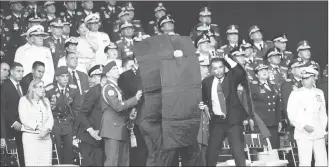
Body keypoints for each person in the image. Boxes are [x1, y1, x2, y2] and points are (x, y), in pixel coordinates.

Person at [200, 55, 247, 166]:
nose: (218, 71)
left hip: (233, 122)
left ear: (224, 67)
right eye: (215, 68)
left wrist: (228, 59)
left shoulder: (231, 78)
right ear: (211, 69)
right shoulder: (206, 82)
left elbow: (241, 73)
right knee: (211, 153)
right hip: (217, 122)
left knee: (238, 153)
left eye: (220, 67)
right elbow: (204, 99)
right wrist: (204, 105)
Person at [99, 61, 142, 166]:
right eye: (114, 69)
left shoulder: (116, 87)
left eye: (117, 68)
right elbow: (118, 106)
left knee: (123, 160)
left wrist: (129, 114)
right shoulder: (109, 88)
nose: (117, 70)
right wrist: (135, 99)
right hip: (112, 128)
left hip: (119, 127)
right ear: (108, 74)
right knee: (113, 160)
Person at [287, 66, 327, 166]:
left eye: (307, 78)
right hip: (303, 132)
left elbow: (323, 113)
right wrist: (303, 125)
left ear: (313, 78)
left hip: (318, 131)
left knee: (322, 161)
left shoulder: (319, 92)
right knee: (305, 161)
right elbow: (291, 113)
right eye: (303, 78)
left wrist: (324, 131)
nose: (304, 80)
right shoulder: (296, 93)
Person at [45, 66, 80, 164]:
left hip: (67, 123)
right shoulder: (49, 90)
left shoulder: (73, 89)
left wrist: (75, 127)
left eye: (67, 76)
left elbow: (76, 110)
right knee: (57, 151)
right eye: (62, 76)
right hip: (54, 123)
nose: (65, 79)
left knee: (69, 151)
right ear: (56, 78)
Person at [18, 79, 54, 166]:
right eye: (40, 87)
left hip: (46, 137)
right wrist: (38, 127)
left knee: (46, 163)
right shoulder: (24, 100)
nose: (43, 89)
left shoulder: (45, 101)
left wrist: (47, 129)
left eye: (44, 87)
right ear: (33, 88)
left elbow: (50, 118)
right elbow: (24, 119)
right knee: (32, 163)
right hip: (31, 138)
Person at [77, 65, 106, 166]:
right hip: (90, 137)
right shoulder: (93, 91)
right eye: (100, 76)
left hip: (101, 137)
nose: (103, 79)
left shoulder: (105, 90)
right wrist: (91, 130)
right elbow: (82, 114)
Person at [250, 64, 282, 149]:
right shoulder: (253, 86)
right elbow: (250, 104)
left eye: (265, 70)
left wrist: (279, 120)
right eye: (261, 71)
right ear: (256, 75)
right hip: (261, 122)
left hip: (273, 122)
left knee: (274, 148)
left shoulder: (273, 85)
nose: (264, 72)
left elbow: (278, 104)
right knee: (262, 150)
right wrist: (250, 118)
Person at [1, 62, 26, 167]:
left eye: (22, 71)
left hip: (23, 125)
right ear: (11, 72)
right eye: (18, 71)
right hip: (10, 126)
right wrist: (13, 122)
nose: (21, 74)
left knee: (23, 153)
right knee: (13, 156)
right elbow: (3, 108)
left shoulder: (23, 85)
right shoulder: (4, 86)